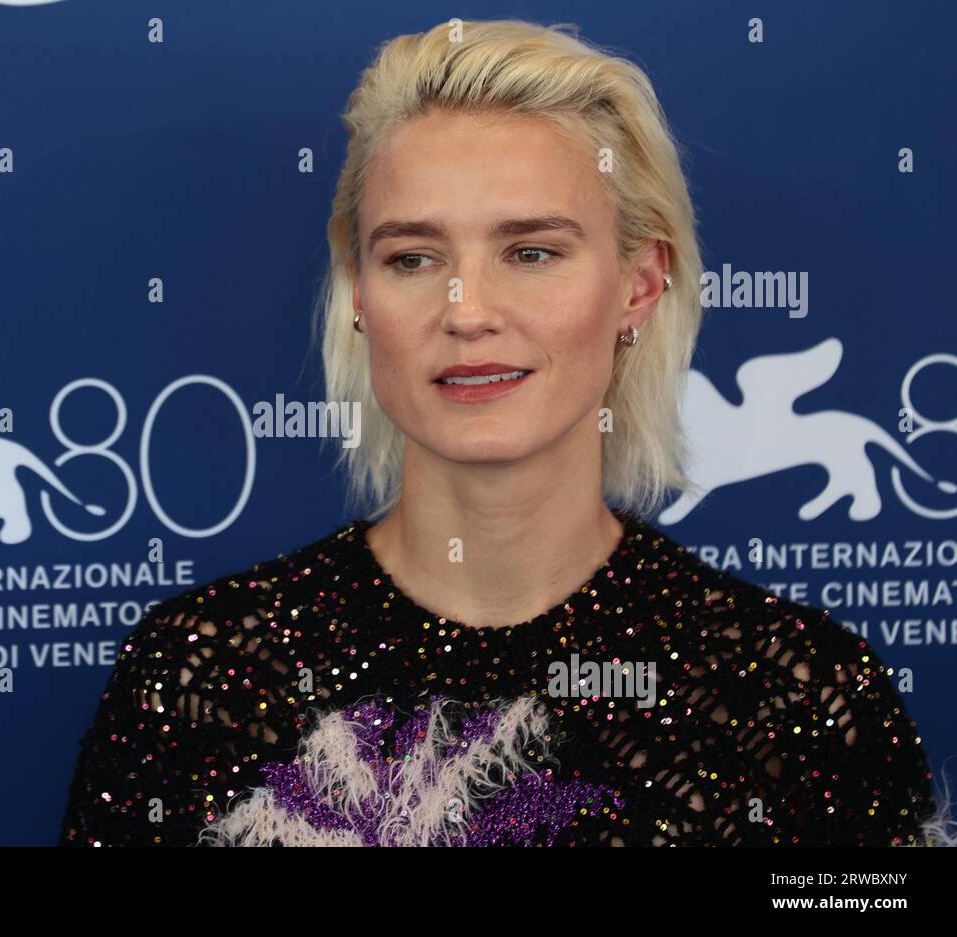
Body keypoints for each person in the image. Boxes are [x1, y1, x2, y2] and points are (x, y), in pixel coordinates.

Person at [58, 18, 947, 846]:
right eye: (413, 258)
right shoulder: (197, 677)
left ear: (639, 285)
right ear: (360, 297)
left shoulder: (797, 693)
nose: (467, 310)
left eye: (531, 252)